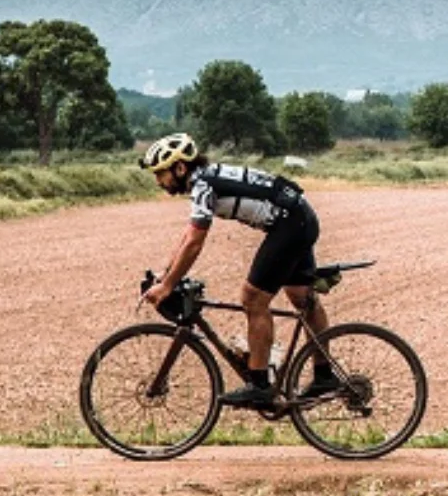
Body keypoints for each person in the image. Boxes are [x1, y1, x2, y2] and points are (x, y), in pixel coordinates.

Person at [137, 133, 338, 411]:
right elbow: (187, 236)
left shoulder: (203, 185)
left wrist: (169, 285)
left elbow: (195, 242)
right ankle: (324, 376)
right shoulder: (206, 179)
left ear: (180, 168)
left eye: (161, 174)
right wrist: (166, 274)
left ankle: (259, 386)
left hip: (290, 224)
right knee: (301, 297)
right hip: (298, 216)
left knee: (253, 298)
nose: (159, 181)